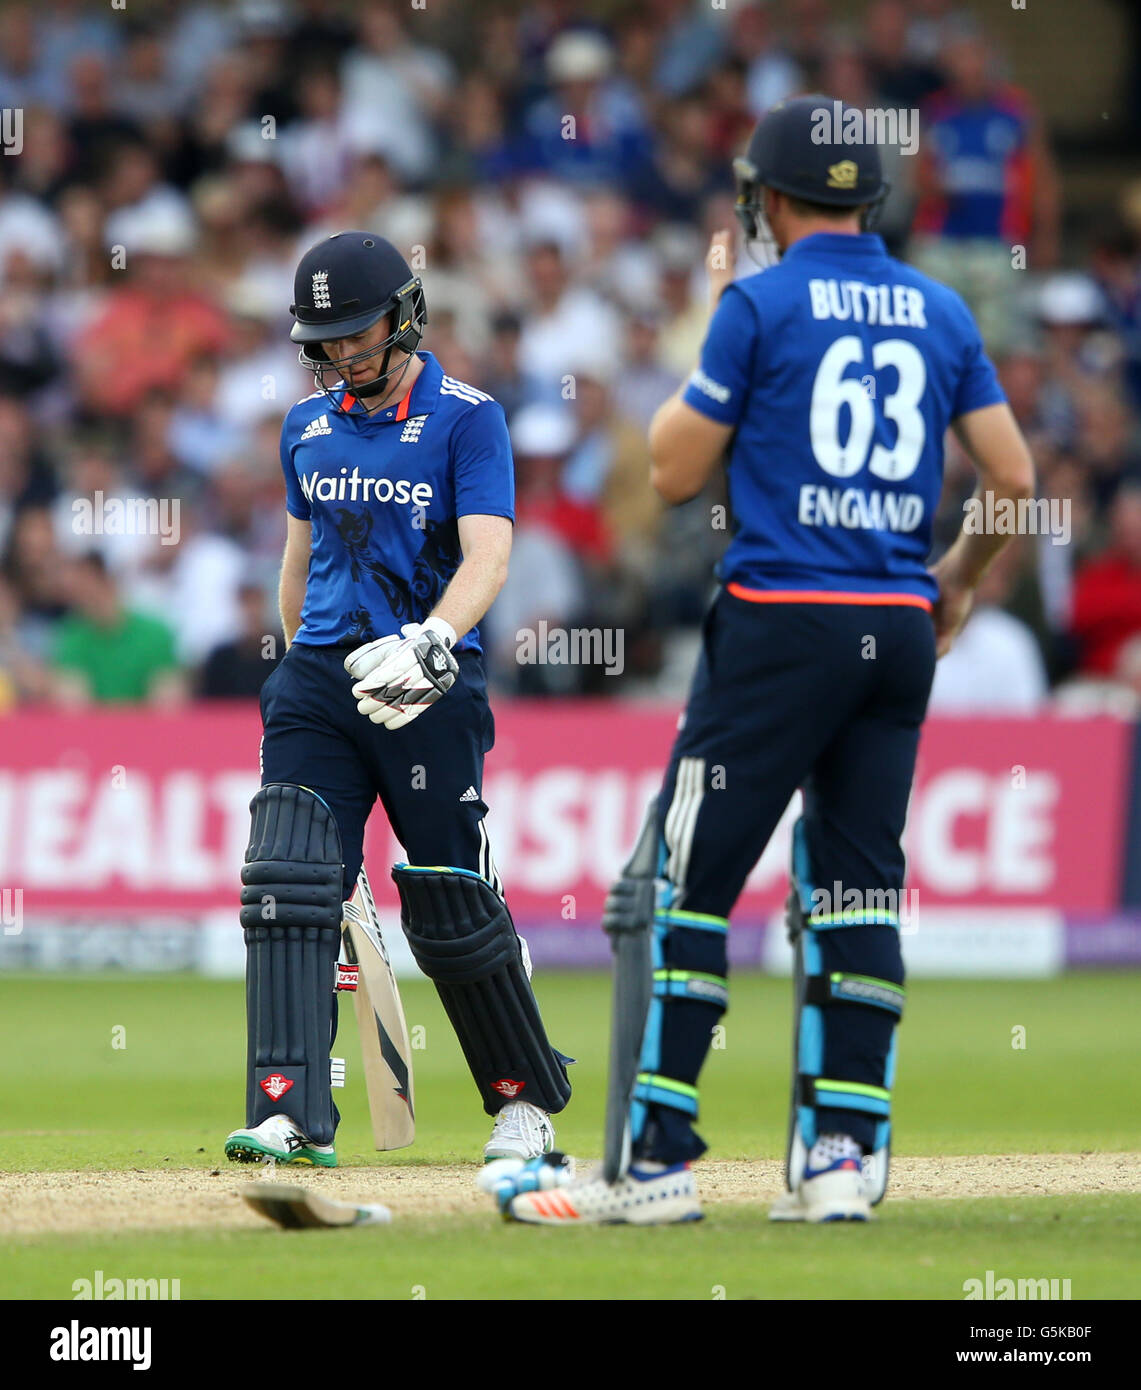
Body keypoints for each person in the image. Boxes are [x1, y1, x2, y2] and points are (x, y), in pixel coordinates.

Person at [506, 95, 1034, 1225]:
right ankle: (841, 1159)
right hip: (893, 629)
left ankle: (654, 1164)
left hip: (778, 619)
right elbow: (1016, 480)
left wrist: (717, 316)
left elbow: (673, 470)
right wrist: (957, 577)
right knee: (855, 888)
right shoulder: (940, 308)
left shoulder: (756, 301)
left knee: (690, 892)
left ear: (773, 200)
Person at [224, 232, 571, 1169]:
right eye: (326, 339)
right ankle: (289, 1108)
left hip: (427, 681)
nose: (344, 353)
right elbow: (298, 563)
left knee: (449, 894)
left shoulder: (469, 417)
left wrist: (433, 639)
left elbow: (489, 552)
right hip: (323, 681)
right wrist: (302, 675)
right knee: (290, 885)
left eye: (359, 332)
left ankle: (521, 1107)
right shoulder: (306, 425)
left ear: (405, 315)